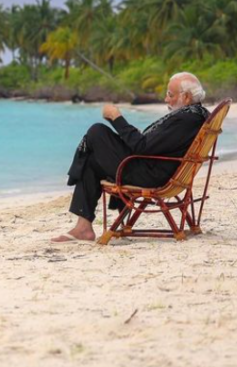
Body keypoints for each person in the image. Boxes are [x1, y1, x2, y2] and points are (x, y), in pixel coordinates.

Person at [51, 72, 209, 243]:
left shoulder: (186, 119)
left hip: (151, 175)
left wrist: (116, 118)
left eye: (170, 94)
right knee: (91, 161)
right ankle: (83, 228)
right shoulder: (195, 115)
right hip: (153, 168)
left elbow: (142, 146)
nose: (166, 99)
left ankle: (75, 177)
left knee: (96, 131)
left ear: (186, 97)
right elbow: (150, 144)